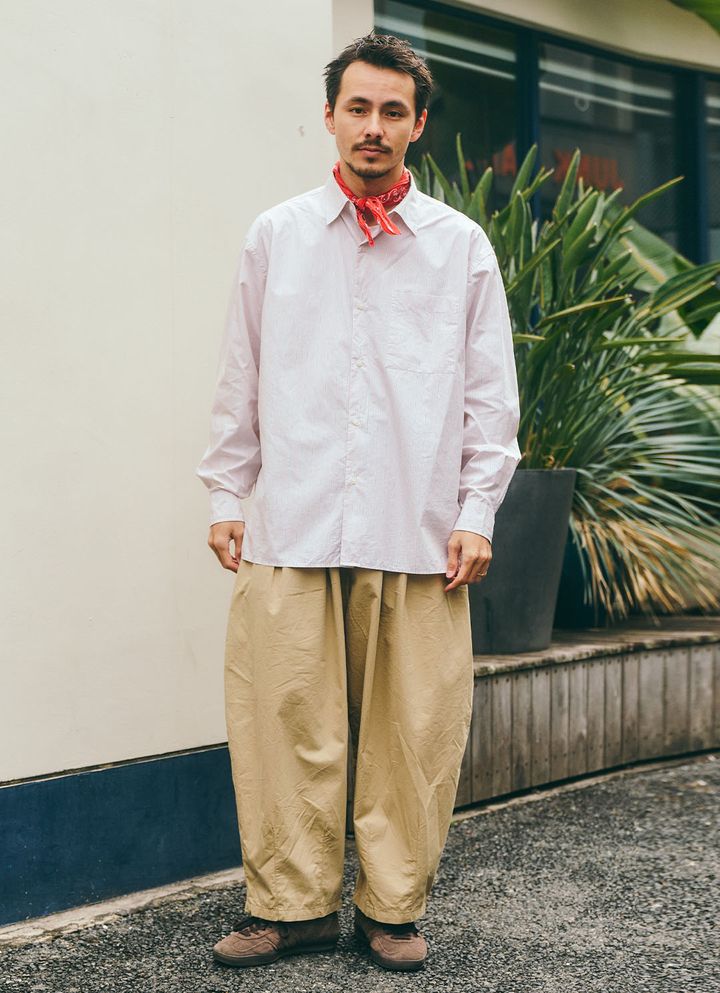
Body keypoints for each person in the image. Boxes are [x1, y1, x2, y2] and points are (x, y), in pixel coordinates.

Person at [196, 31, 521, 973]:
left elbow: (491, 396)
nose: (373, 126)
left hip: (417, 533)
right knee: (283, 725)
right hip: (290, 525)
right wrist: (227, 490)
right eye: (358, 107)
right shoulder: (278, 236)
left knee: (412, 734)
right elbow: (241, 373)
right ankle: (290, 907)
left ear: (417, 125)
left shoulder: (459, 247)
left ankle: (393, 907)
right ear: (330, 117)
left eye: (392, 111)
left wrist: (477, 510)